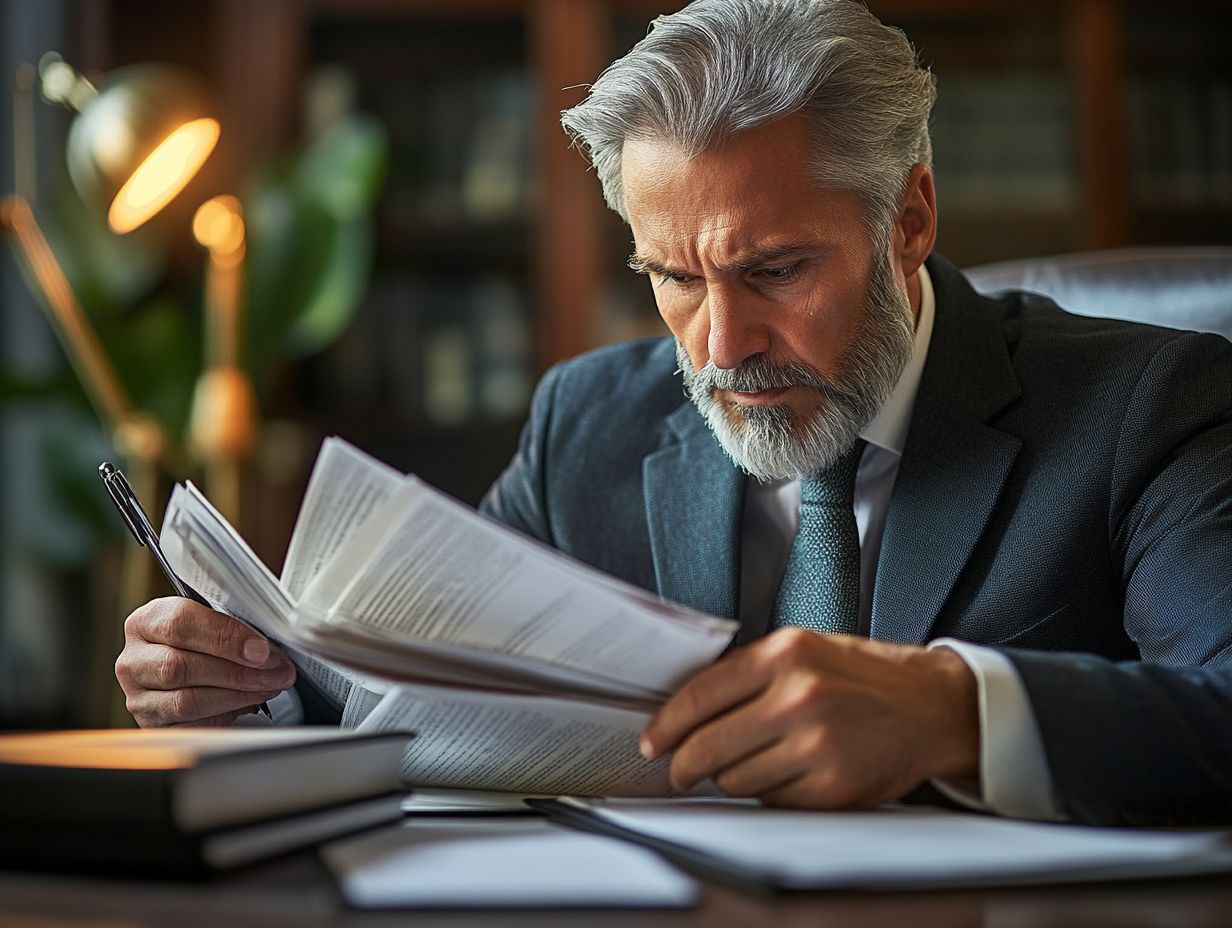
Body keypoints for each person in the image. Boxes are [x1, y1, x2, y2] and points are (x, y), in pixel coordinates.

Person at [115, 0, 1232, 826]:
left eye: (776, 269)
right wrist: (244, 698)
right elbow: (411, 694)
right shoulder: (584, 427)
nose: (720, 347)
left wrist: (953, 708)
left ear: (908, 217)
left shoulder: (1148, 406)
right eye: (675, 277)